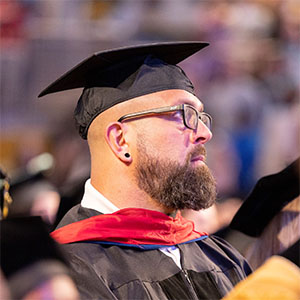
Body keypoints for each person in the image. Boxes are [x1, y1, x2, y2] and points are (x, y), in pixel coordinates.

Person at [39, 42, 251, 299]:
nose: (205, 133)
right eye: (183, 114)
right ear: (121, 140)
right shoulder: (67, 272)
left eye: (200, 117)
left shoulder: (224, 259)